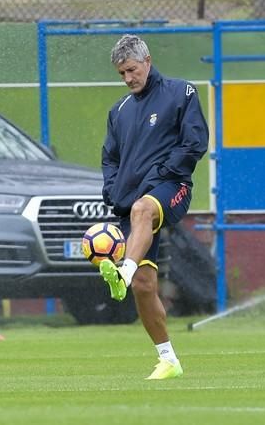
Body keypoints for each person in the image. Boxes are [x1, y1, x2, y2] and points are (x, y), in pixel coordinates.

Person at [99, 34, 209, 380]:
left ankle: (124, 269)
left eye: (131, 69)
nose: (128, 78)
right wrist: (112, 189)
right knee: (144, 287)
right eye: (121, 73)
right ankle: (169, 360)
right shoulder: (118, 111)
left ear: (147, 61)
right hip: (131, 202)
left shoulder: (181, 93)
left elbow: (195, 143)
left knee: (144, 209)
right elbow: (110, 159)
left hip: (171, 187)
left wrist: (163, 173)